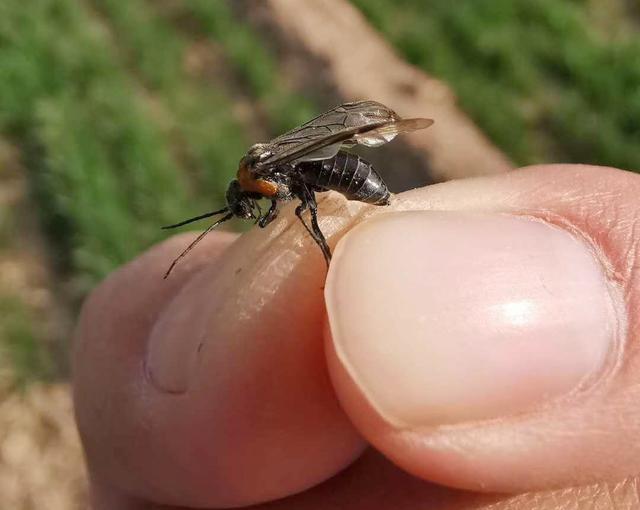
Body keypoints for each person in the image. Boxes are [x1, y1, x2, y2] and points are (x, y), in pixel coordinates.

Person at [73, 164, 640, 509]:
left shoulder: (273, 176)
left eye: (244, 206)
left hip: (339, 176)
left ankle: (331, 249)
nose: (248, 214)